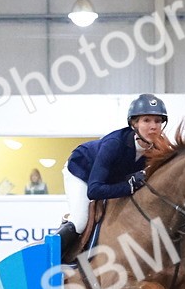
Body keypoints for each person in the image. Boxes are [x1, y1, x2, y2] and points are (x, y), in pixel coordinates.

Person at [55, 93, 168, 254]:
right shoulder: (114, 144)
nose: (154, 126)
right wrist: (129, 187)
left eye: (158, 121)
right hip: (82, 171)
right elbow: (94, 190)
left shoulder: (160, 147)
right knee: (80, 220)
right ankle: (51, 258)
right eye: (146, 120)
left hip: (112, 178)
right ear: (134, 123)